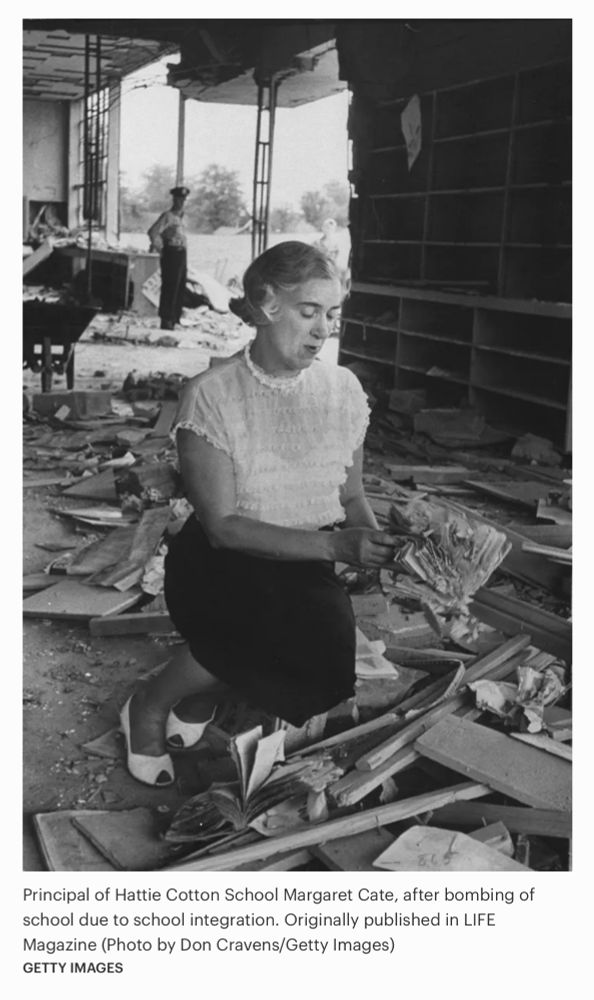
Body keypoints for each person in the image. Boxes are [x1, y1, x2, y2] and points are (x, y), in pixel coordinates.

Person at [120, 240, 398, 786]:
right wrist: (339, 548)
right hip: (220, 564)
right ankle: (149, 705)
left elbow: (350, 499)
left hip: (302, 561)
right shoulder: (212, 395)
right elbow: (222, 528)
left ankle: (207, 695)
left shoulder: (343, 390)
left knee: (325, 661)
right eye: (309, 311)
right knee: (281, 627)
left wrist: (385, 549)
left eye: (332, 315)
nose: (323, 331)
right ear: (267, 304)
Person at [147, 186, 190, 330]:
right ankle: (166, 319)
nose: (181, 202)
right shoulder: (168, 216)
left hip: (181, 254)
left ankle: (175, 318)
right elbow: (153, 232)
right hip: (171, 253)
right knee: (170, 286)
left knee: (180, 286)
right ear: (174, 200)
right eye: (178, 199)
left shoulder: (182, 217)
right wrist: (161, 248)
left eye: (183, 200)